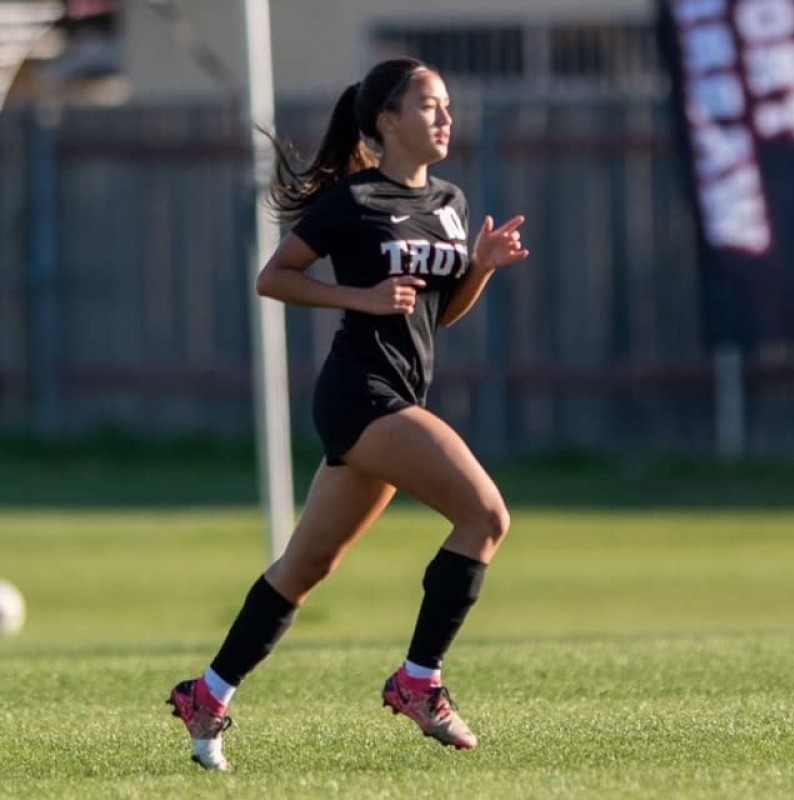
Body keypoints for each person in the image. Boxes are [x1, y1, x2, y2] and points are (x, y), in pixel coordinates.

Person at [167, 57, 529, 772]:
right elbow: (275, 278)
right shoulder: (354, 200)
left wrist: (479, 265)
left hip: (401, 393)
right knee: (486, 516)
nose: (445, 118)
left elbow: (439, 314)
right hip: (362, 394)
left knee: (305, 568)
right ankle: (419, 679)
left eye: (448, 105)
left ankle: (208, 693)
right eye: (429, 105)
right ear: (387, 120)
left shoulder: (452, 203)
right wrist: (359, 298)